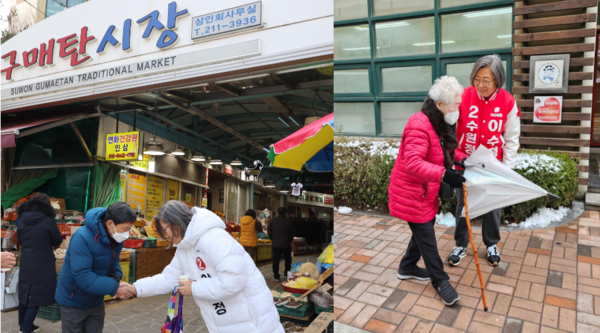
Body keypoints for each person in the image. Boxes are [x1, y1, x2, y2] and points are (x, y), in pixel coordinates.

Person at [123, 200, 283, 333]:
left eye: (165, 230)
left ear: (176, 223)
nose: (167, 237)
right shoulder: (184, 248)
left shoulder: (214, 238)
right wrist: (136, 289)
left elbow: (234, 280)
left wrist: (194, 287)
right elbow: (169, 278)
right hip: (227, 322)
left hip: (253, 321)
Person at [388, 76, 466, 306]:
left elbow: (444, 152)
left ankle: (407, 267)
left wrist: (463, 161)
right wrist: (444, 175)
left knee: (424, 229)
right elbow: (412, 163)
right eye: (455, 104)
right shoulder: (418, 123)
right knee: (427, 238)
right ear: (440, 104)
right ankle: (440, 282)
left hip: (424, 192)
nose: (458, 109)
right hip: (411, 193)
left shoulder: (439, 121)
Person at [448, 55, 520, 267]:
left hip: (493, 165)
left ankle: (491, 244)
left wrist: (507, 170)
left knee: (492, 207)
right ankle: (460, 244)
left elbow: (511, 139)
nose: (481, 85)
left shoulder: (508, 101)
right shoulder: (463, 96)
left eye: (486, 80)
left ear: (498, 80)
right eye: (477, 79)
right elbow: (449, 127)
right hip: (465, 162)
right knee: (464, 205)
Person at [55, 202, 137, 333]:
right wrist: (115, 288)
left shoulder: (116, 238)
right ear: (110, 224)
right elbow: (83, 276)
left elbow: (113, 262)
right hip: (74, 299)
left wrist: (116, 277)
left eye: (129, 229)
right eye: (125, 228)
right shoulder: (82, 237)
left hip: (96, 299)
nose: (127, 233)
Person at [17, 193, 63, 333]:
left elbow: (20, 240)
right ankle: (26, 328)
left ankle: (24, 325)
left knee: (25, 292)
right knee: (36, 295)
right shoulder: (48, 220)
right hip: (42, 261)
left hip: (26, 259)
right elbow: (57, 241)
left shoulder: (22, 219)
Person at [267, 207, 295, 282]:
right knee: (288, 259)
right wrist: (289, 240)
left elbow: (269, 232)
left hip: (276, 244)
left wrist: (273, 239)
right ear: (286, 213)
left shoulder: (272, 221)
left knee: (276, 260)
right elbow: (292, 233)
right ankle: (286, 274)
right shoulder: (289, 222)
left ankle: (276, 276)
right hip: (286, 244)